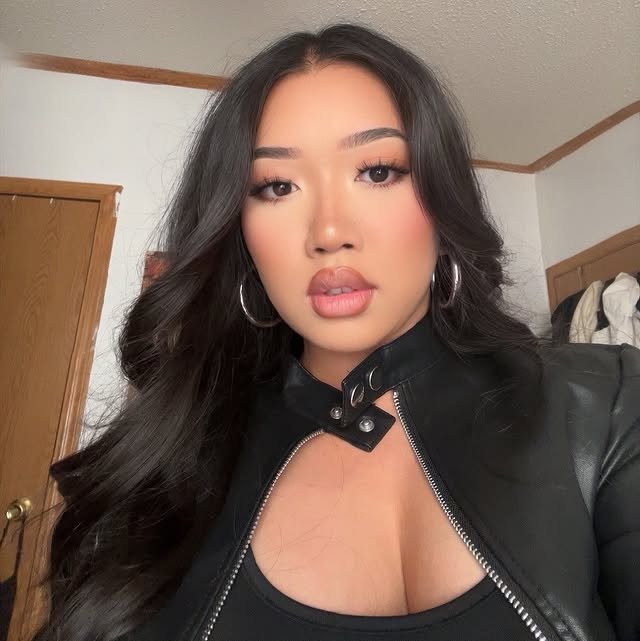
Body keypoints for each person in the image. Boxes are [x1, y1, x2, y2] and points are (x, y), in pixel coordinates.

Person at [34, 23, 639, 641]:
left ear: (442, 199)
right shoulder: (172, 468)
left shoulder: (606, 406)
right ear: (240, 229)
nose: (328, 231)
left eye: (376, 172)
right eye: (277, 186)